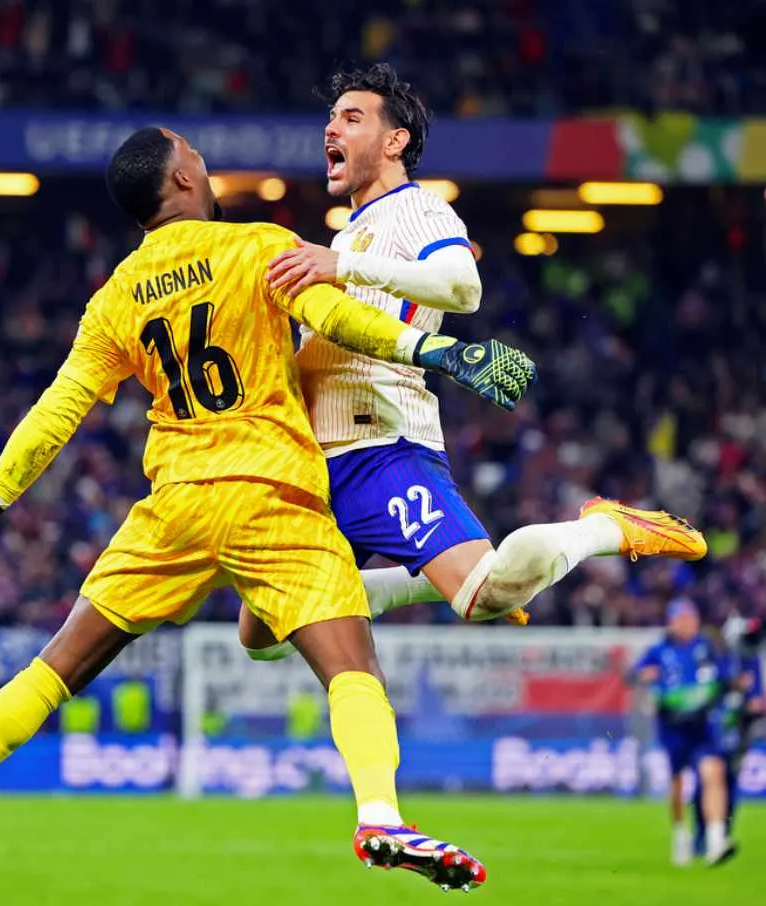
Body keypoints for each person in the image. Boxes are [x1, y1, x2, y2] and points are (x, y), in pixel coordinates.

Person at [0, 125, 536, 890]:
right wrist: (439, 353)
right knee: (351, 669)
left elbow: (56, 413)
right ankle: (378, 813)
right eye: (199, 161)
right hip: (272, 494)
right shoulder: (255, 247)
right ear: (179, 183)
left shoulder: (113, 299)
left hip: (174, 505)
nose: (208, 171)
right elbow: (342, 320)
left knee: (55, 668)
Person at [237, 64, 705, 662]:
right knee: (263, 637)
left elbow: (464, 287)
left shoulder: (416, 211)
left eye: (351, 118)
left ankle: (601, 528)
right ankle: (396, 589)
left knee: (485, 595)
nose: (332, 128)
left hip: (380, 446)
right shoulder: (346, 236)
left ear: (394, 141)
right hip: (316, 462)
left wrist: (345, 270)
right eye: (330, 118)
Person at [633, 598, 734, 866]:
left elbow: (725, 677)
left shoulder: (707, 646)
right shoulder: (659, 649)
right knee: (677, 783)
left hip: (703, 723)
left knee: (713, 773)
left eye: (691, 618)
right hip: (672, 725)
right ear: (672, 621)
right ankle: (681, 834)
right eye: (682, 618)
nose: (688, 623)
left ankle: (715, 841)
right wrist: (645, 677)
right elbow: (634, 674)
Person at [694, 615, 763, 858]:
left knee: (730, 781)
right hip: (711, 726)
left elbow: (756, 697)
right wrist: (733, 685)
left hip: (740, 727)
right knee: (709, 780)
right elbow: (706, 690)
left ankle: (721, 834)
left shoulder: (750, 658)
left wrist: (753, 701)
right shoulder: (713, 657)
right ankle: (703, 836)